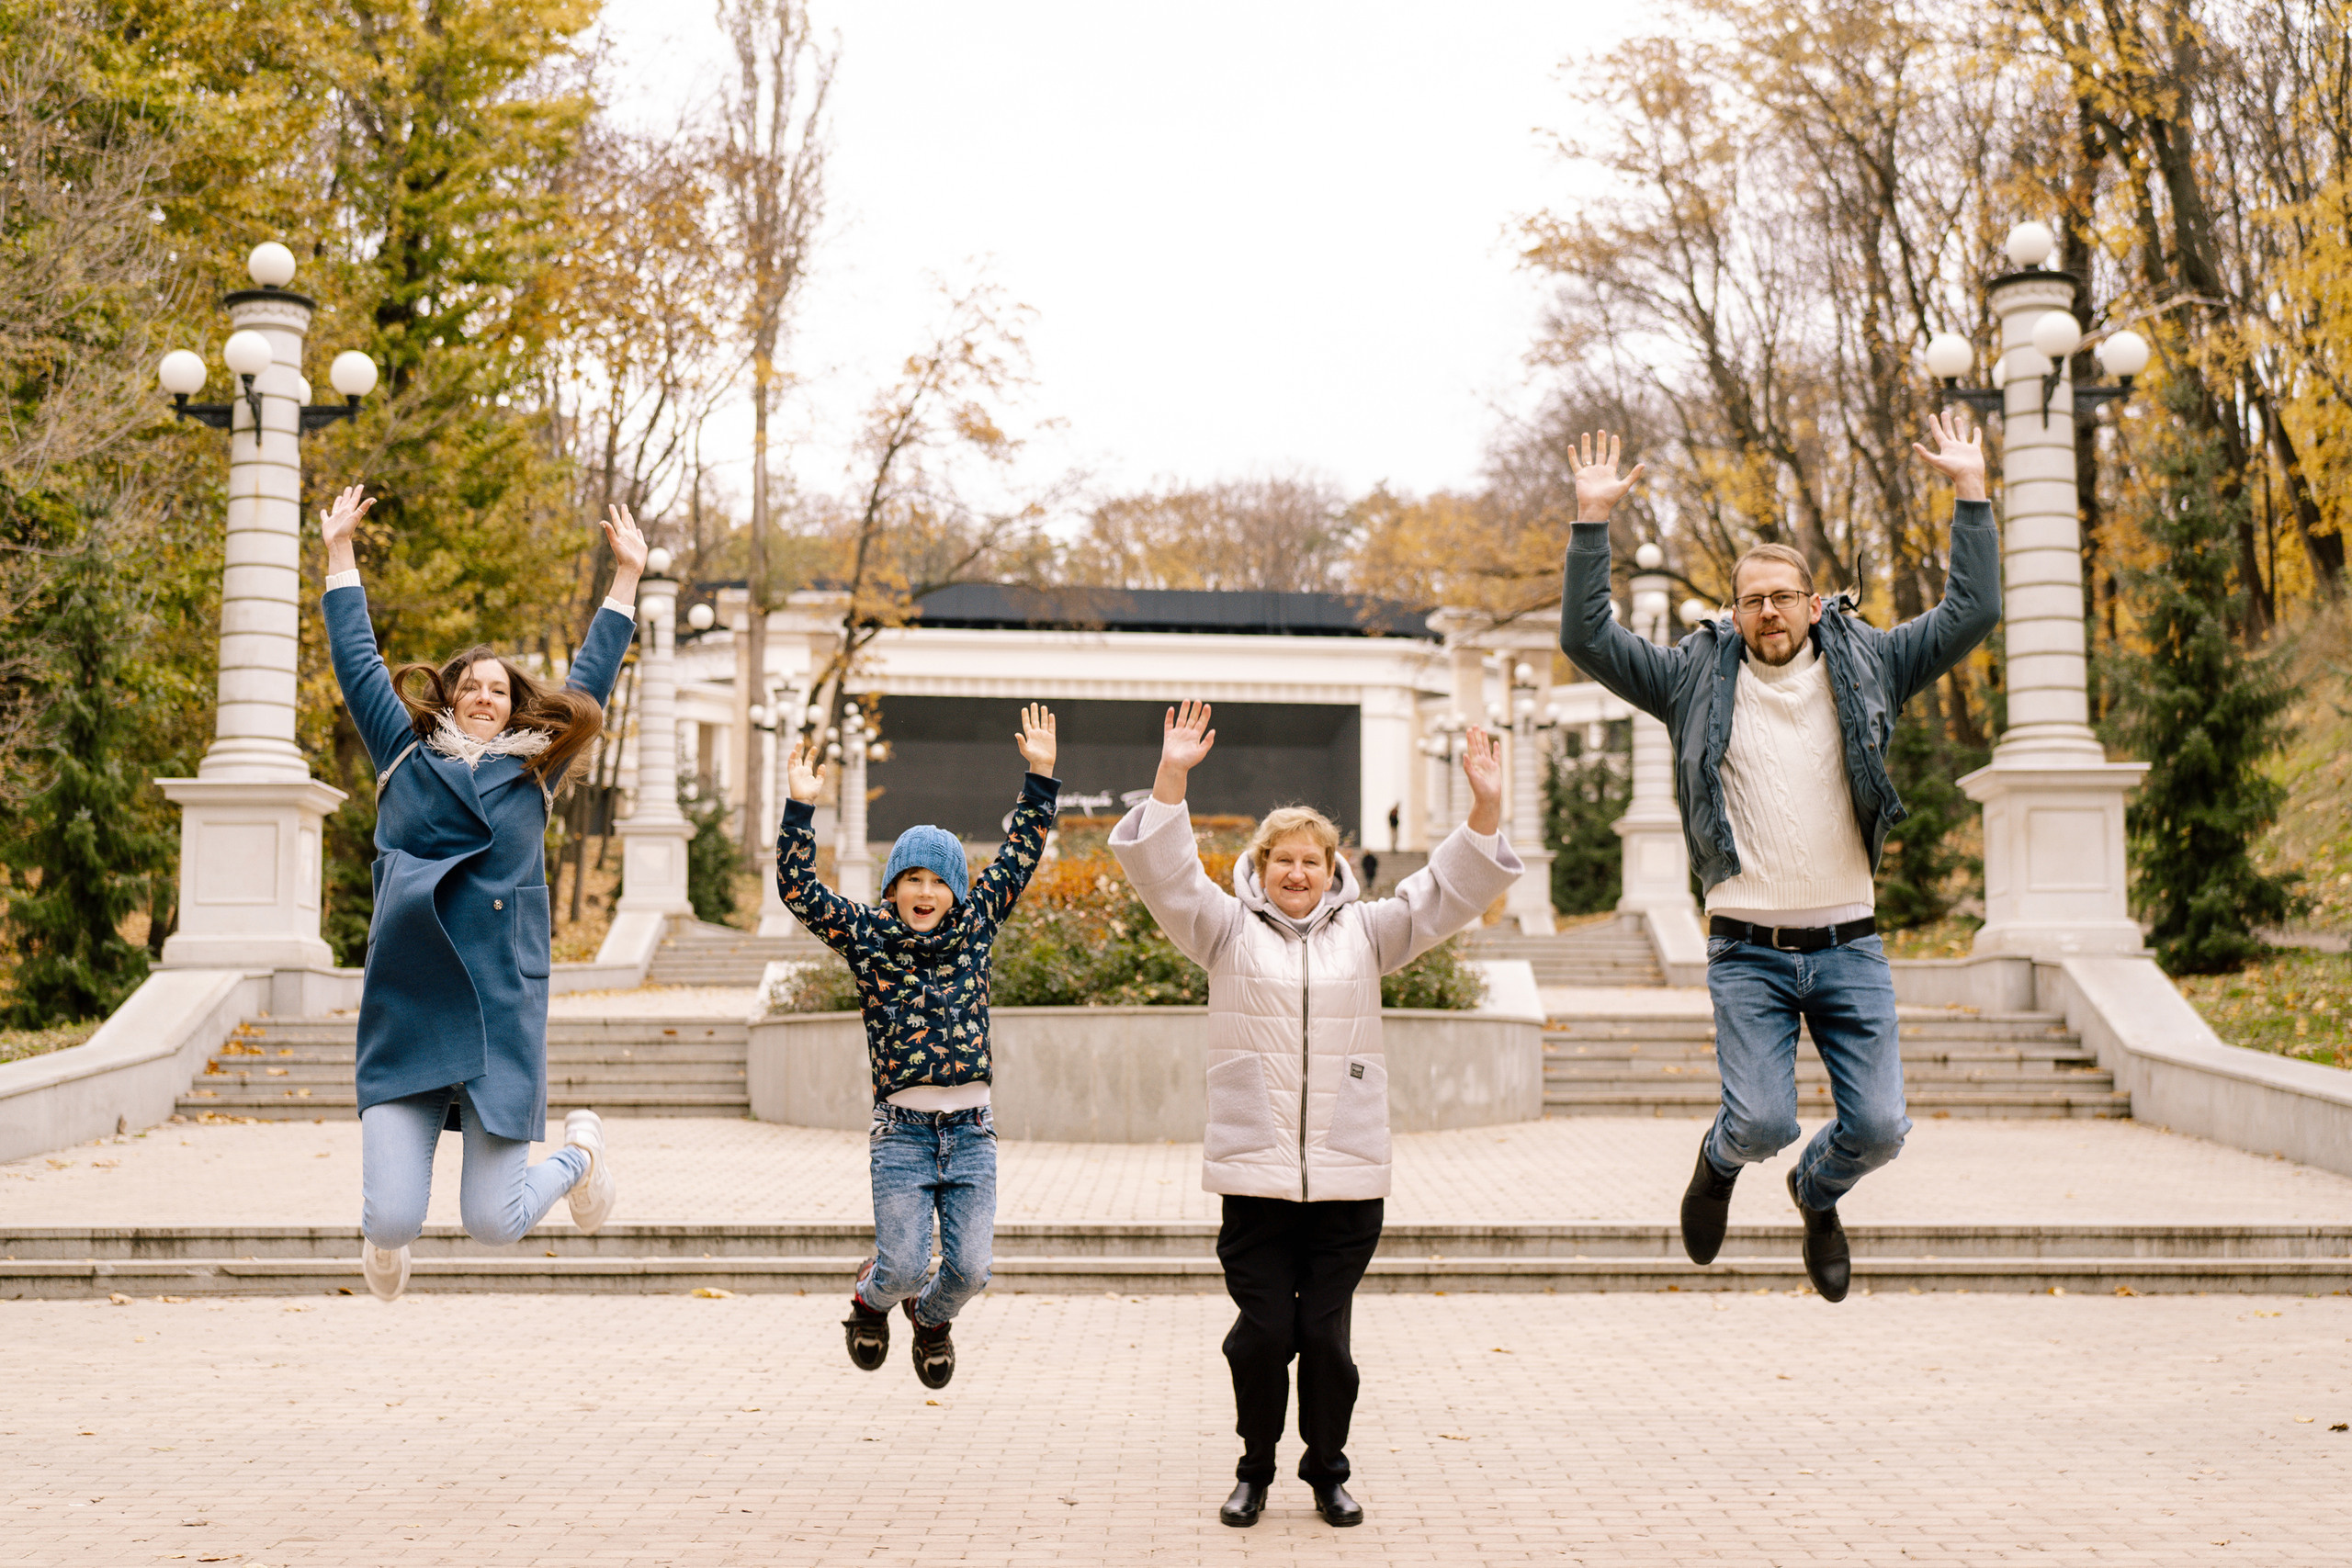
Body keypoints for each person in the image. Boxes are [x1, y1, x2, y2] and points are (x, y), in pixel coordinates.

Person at [1555, 413, 2000, 1302]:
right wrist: (1591, 525)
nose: (1768, 612)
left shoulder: (1872, 662)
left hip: (1851, 946)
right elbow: (1589, 639)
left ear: (1812, 601)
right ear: (1733, 609)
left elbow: (1972, 612)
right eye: (1751, 598)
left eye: (1783, 596)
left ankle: (1816, 1191)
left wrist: (1971, 492)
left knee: (1878, 1128)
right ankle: (1720, 1164)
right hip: (1747, 951)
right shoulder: (1690, 676)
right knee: (1760, 1120)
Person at [1109, 701, 1521, 1530]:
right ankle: (1254, 1469)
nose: (1297, 872)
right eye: (1282, 860)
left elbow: (1447, 893)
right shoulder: (1222, 930)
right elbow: (1165, 874)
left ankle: (1327, 1469)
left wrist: (1484, 807)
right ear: (1258, 868)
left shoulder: (1370, 933)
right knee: (1264, 1336)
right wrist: (1171, 776)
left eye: (1312, 859)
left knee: (1325, 1340)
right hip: (1256, 1174)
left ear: (1334, 868)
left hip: (1345, 1174)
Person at [321, 484, 644, 1303]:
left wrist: (626, 584)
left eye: (501, 689)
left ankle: (580, 1157)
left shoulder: (535, 772)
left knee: (495, 1220)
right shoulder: (403, 754)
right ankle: (385, 1240)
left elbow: (591, 679)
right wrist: (338, 554)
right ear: (450, 695)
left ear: (514, 706)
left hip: (500, 1011)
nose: (487, 696)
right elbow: (359, 661)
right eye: (473, 685)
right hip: (410, 1007)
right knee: (392, 1218)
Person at [775, 705, 1061, 1389]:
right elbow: (799, 891)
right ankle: (870, 1302)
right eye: (912, 880)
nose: (925, 892)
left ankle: (930, 1321)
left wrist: (1041, 776)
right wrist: (798, 809)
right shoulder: (868, 934)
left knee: (970, 1270)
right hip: (902, 1135)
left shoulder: (976, 925)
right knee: (900, 1264)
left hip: (972, 1133)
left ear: (956, 890)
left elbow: (1020, 852)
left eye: (937, 880)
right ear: (893, 887)